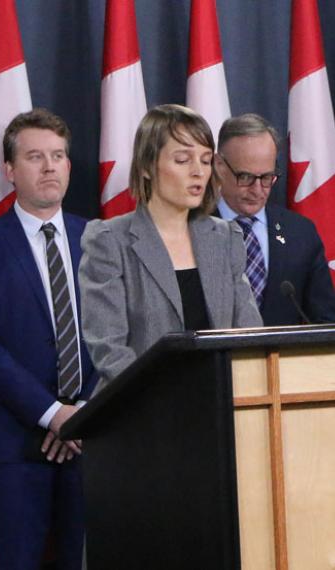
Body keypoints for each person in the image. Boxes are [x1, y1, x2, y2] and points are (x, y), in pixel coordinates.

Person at [0, 108, 99, 570]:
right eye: (35, 157)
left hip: (90, 439)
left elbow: (115, 334)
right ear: (9, 171)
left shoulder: (98, 239)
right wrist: (54, 415)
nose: (50, 167)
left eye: (58, 156)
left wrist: (81, 414)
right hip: (14, 444)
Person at [79, 104, 262, 388]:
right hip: (141, 412)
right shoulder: (109, 240)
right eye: (182, 160)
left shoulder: (226, 238)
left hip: (220, 407)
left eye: (204, 160)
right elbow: (109, 350)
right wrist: (170, 402)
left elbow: (249, 335)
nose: (198, 172)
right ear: (147, 167)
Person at [214, 113, 335, 325]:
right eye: (246, 177)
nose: (258, 190)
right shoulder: (191, 228)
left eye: (267, 178)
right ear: (219, 166)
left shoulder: (300, 233)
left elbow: (325, 322)